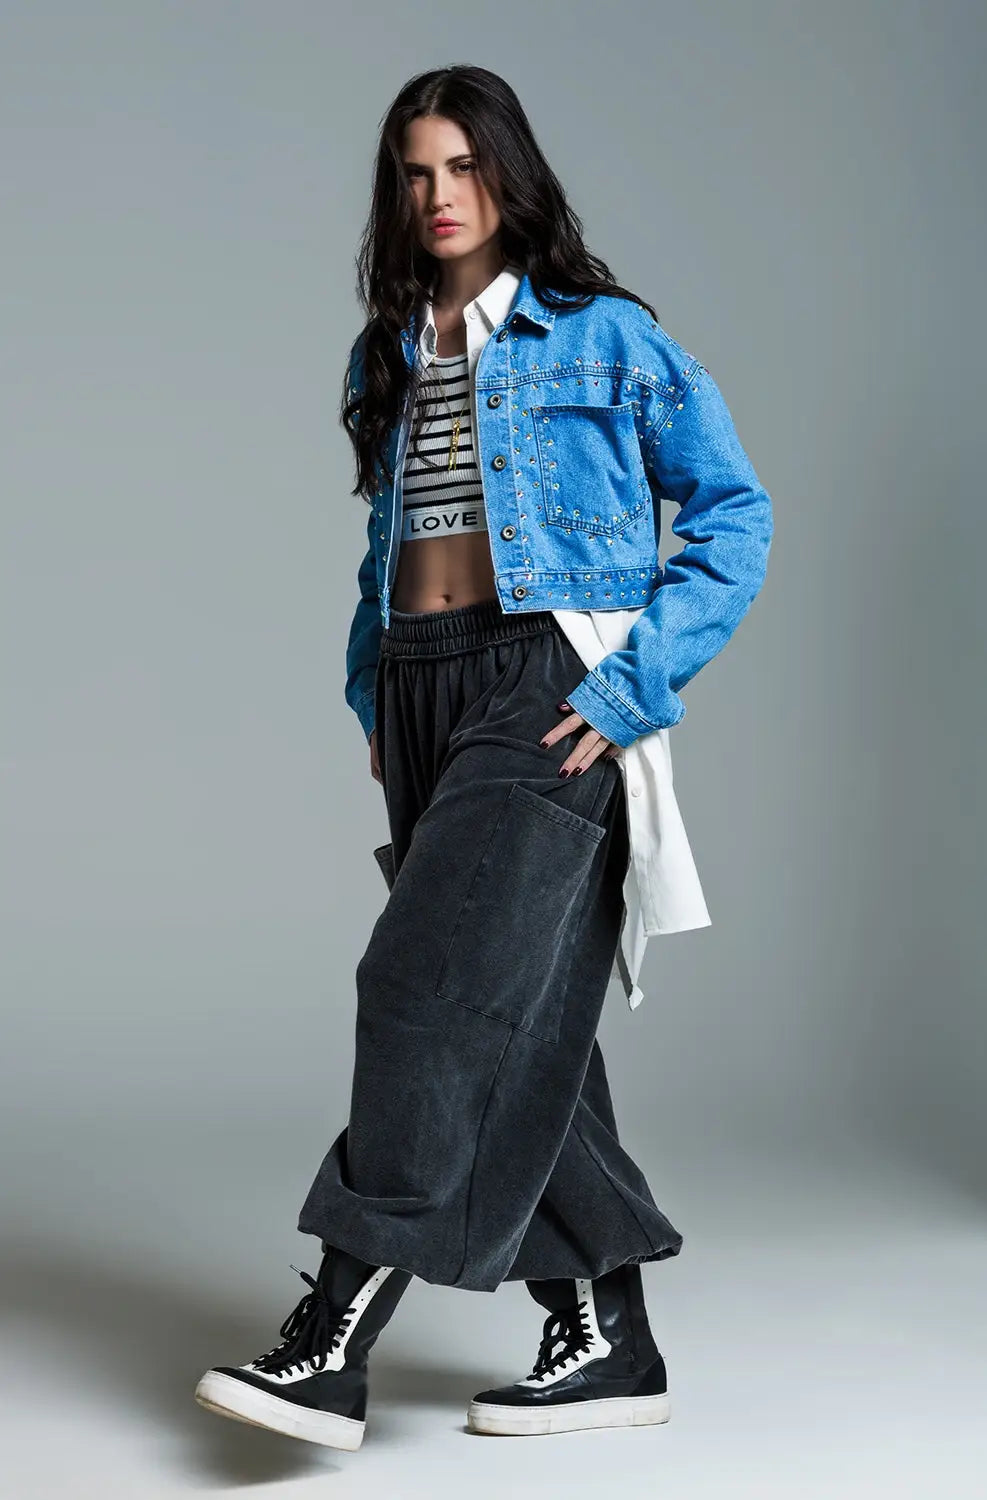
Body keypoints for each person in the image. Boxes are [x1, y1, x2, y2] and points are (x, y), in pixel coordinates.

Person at [195, 63, 773, 1449]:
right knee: (510, 1013)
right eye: (416, 173)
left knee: (428, 989)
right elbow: (389, 543)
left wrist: (631, 688)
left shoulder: (607, 338)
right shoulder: (387, 350)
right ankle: (609, 1338)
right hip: (421, 688)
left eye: (463, 166)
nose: (440, 195)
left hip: (546, 683)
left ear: (510, 174)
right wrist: (371, 686)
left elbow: (734, 517)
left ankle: (333, 1337)